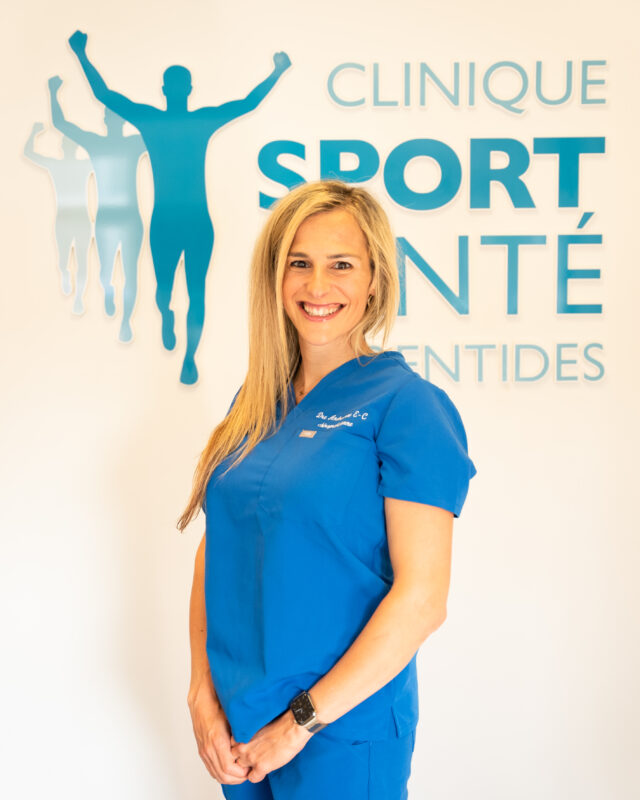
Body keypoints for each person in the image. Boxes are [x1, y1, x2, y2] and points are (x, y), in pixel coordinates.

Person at [178, 180, 477, 799]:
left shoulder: (407, 406)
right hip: (241, 730)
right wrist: (201, 692)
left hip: (340, 733)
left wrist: (299, 724)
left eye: (341, 265)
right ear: (275, 277)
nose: (318, 286)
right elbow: (219, 547)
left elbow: (423, 599)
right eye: (299, 263)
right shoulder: (254, 404)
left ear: (375, 280)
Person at [67, 29, 291, 384]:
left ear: (166, 89)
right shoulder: (196, 121)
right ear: (188, 89)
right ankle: (169, 318)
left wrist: (81, 54)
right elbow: (248, 103)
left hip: (172, 221)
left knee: (185, 290)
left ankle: (189, 357)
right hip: (188, 220)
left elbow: (104, 95)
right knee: (172, 291)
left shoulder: (153, 120)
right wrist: (277, 71)